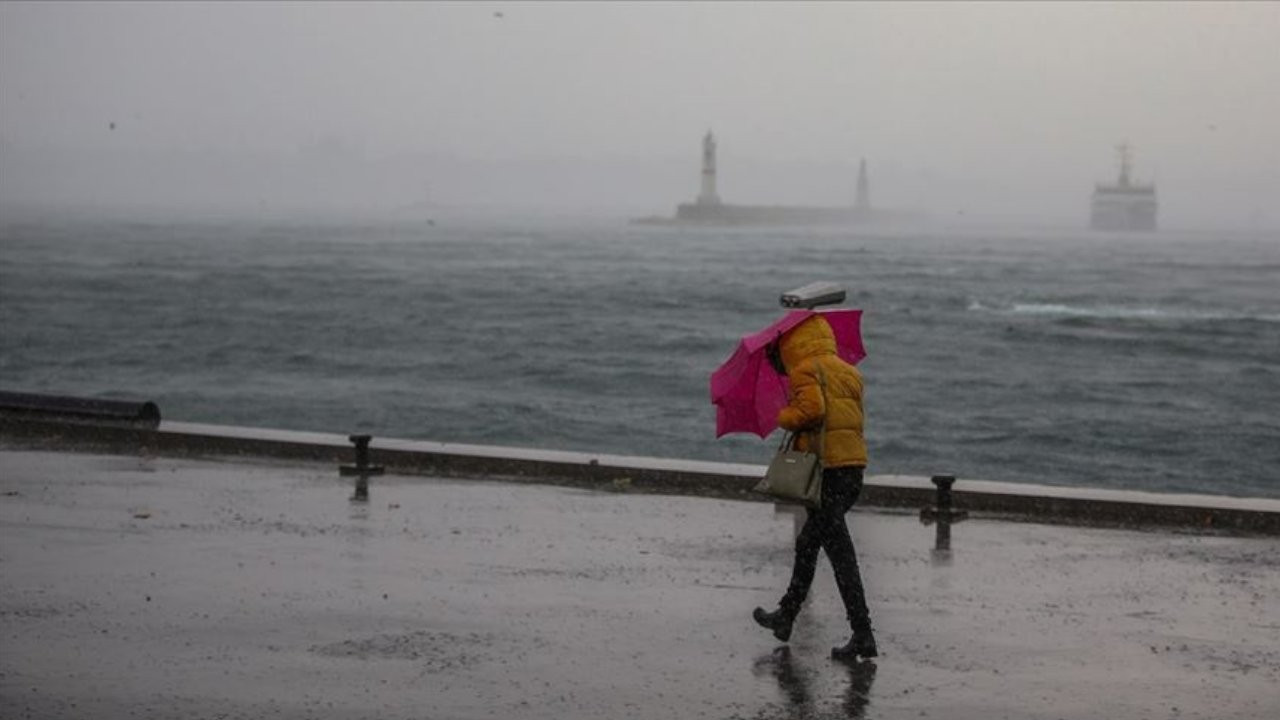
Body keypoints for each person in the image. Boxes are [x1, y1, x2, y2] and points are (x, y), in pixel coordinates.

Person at [753, 314, 878, 661]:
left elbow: (812, 410)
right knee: (816, 545)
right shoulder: (848, 371)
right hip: (852, 469)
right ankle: (788, 616)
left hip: (827, 473)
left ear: (793, 344)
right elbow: (847, 418)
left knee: (833, 552)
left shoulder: (806, 370)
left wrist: (785, 416)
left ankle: (861, 633)